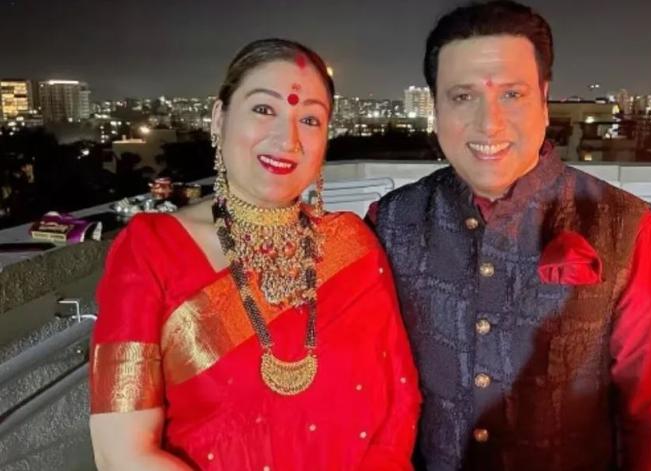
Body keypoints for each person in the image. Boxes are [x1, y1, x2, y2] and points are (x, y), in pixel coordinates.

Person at [369, 1, 651, 470]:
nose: (489, 123)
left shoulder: (623, 226)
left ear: (544, 99)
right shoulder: (391, 222)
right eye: (462, 96)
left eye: (512, 94)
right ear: (435, 107)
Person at [89, 38, 420, 470]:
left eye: (310, 119)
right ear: (219, 117)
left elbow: (399, 404)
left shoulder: (352, 245)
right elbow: (121, 452)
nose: (288, 139)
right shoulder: (151, 250)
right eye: (264, 109)